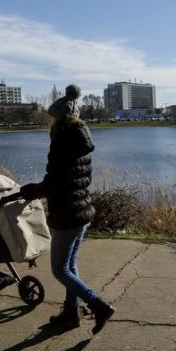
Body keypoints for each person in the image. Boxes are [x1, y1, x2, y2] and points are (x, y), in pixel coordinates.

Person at [17, 84, 115, 334]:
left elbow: (55, 183)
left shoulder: (61, 141)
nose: (49, 122)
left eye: (51, 117)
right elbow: (70, 179)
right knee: (70, 267)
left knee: (59, 270)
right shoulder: (80, 141)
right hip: (82, 210)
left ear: (59, 119)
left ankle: (97, 304)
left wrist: (30, 190)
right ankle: (71, 313)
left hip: (68, 213)